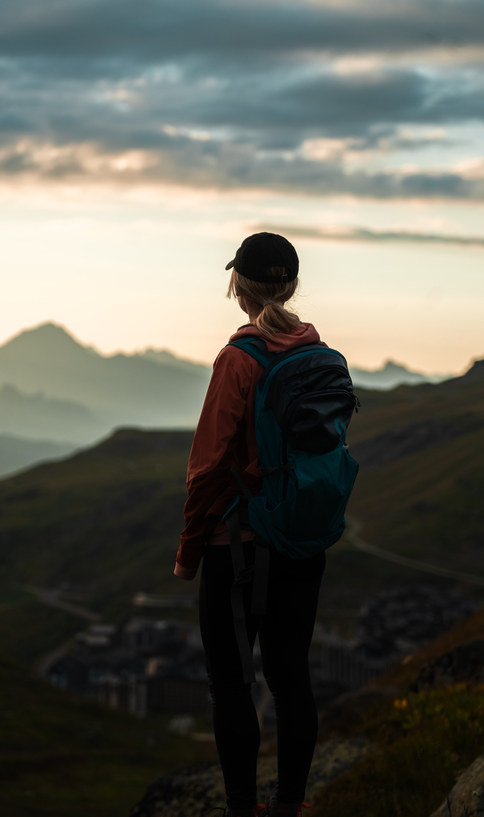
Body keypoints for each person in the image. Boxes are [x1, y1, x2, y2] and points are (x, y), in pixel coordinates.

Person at [174, 233, 327, 817]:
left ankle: (244, 809)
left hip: (236, 546)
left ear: (237, 285)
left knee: (232, 683)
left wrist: (189, 552)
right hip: (301, 540)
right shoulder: (318, 354)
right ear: (289, 285)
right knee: (292, 679)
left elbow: (207, 467)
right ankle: (292, 806)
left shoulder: (239, 359)